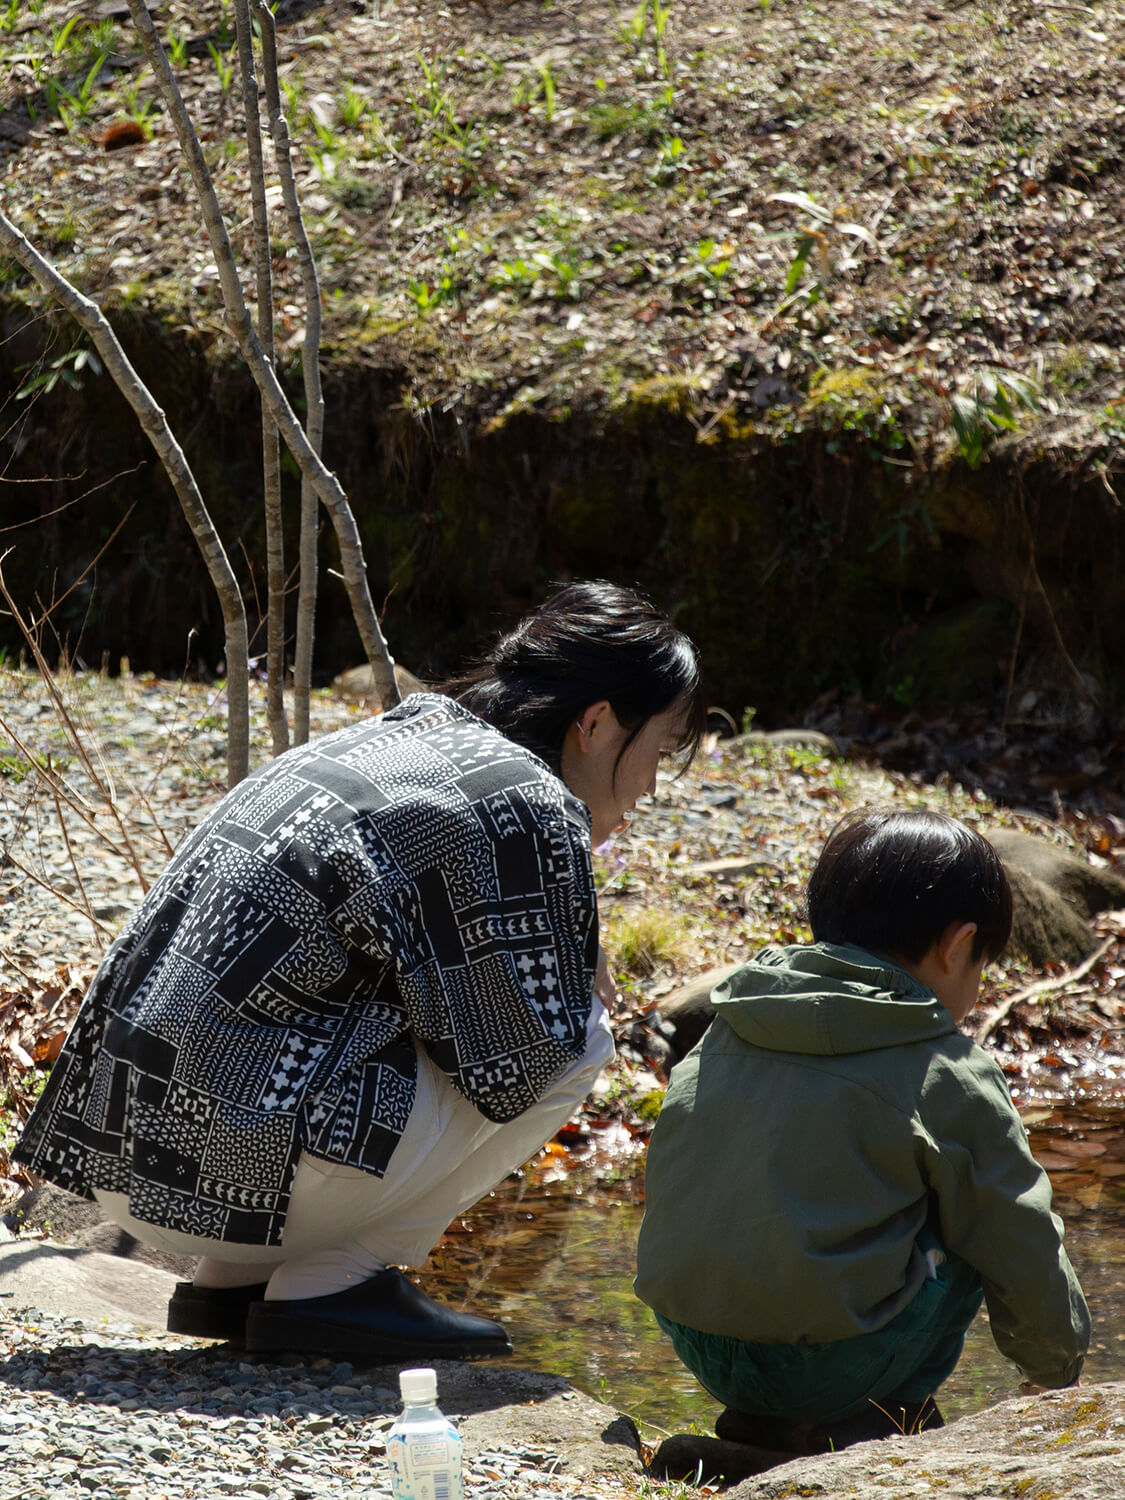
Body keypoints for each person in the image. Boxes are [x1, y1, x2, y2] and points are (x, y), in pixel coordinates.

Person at [15, 580, 704, 1361]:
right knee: (574, 1036)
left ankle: (234, 1278)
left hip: (125, 1156)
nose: (651, 785)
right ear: (596, 723)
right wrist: (573, 965)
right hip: (222, 1161)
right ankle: (336, 1281)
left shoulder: (386, 740)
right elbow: (513, 1069)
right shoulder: (526, 798)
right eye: (662, 750)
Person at [635, 809, 1090, 1457]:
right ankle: (868, 1424)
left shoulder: (737, 1016)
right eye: (981, 967)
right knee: (975, 1217)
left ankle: (765, 1426)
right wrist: (1058, 1375)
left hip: (695, 1336)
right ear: (955, 945)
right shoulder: (941, 1066)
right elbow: (1020, 1240)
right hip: (830, 1365)